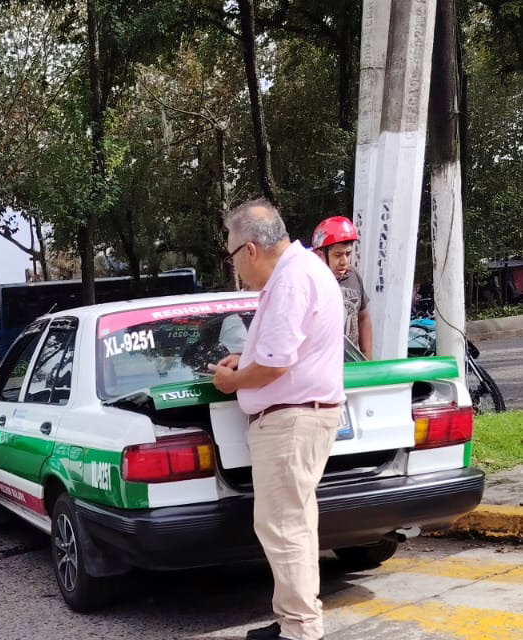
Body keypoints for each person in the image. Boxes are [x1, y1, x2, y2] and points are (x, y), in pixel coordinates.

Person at [209, 197, 345, 640]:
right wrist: (245, 359)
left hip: (290, 420)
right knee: (294, 526)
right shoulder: (304, 270)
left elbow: (275, 364)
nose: (237, 271)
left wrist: (234, 382)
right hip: (301, 416)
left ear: (250, 249)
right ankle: (294, 621)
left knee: (283, 527)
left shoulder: (290, 280)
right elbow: (276, 353)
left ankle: (301, 630)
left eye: (233, 257)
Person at [311, 216, 373, 358]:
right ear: (320, 255)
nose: (344, 261)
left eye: (348, 254)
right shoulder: (310, 283)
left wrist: (367, 359)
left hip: (352, 366)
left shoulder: (353, 276)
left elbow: (363, 317)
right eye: (338, 255)